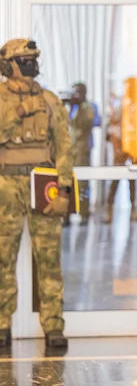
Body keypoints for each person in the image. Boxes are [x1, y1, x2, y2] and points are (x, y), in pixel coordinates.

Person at [0, 39, 73, 349]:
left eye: (33, 59)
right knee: (3, 257)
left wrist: (64, 189)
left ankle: (53, 325)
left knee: (49, 258)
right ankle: (2, 324)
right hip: (6, 185)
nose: (31, 65)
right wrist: (19, 111)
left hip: (43, 184)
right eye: (24, 60)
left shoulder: (49, 100)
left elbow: (65, 146)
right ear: (8, 66)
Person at [64, 83, 100, 222]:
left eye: (77, 92)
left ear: (84, 93)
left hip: (82, 150)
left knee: (82, 183)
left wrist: (79, 106)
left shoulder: (88, 107)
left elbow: (87, 124)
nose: (75, 96)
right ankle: (67, 213)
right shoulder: (73, 107)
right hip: (71, 148)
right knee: (67, 181)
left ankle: (84, 213)